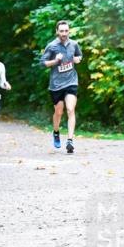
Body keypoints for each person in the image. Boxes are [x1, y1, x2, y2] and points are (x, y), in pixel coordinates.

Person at [40, 20, 83, 153]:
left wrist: (78, 59)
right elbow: (42, 63)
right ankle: (56, 132)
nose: (64, 33)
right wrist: (55, 61)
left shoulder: (74, 44)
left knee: (70, 109)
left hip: (71, 82)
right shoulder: (52, 46)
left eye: (66, 30)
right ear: (57, 32)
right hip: (56, 85)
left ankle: (70, 141)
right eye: (61, 31)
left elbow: (79, 55)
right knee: (59, 112)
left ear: (69, 31)